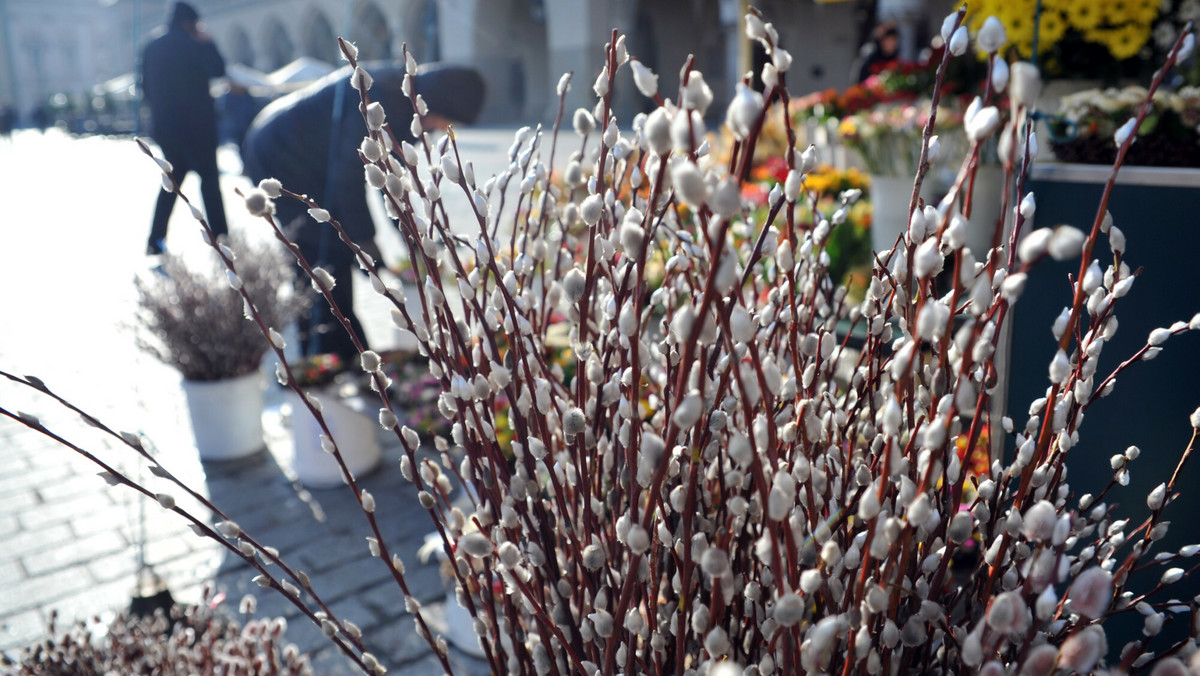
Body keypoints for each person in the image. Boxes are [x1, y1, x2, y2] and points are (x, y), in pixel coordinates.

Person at [240, 63, 485, 363]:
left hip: (304, 158)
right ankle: (331, 361)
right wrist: (367, 244)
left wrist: (416, 242)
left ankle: (341, 358)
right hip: (278, 157)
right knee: (324, 260)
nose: (436, 128)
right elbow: (348, 179)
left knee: (332, 257)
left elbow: (391, 185)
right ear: (437, 102)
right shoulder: (378, 98)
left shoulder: (401, 99)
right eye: (444, 120)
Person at [140, 1, 229, 255]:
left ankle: (155, 241)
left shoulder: (151, 46)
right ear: (190, 23)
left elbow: (145, 88)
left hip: (167, 131)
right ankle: (222, 240)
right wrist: (208, 41)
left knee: (170, 187)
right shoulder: (195, 44)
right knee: (210, 185)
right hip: (199, 129)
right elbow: (219, 70)